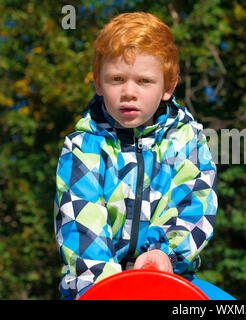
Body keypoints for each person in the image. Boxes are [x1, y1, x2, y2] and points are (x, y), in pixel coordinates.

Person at [54, 11, 234, 300]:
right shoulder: (82, 148)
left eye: (144, 81)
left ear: (168, 87)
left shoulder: (187, 142)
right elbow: (79, 223)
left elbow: (194, 204)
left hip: (168, 278)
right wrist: (110, 288)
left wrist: (165, 255)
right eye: (116, 79)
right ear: (99, 84)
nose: (129, 92)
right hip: (95, 287)